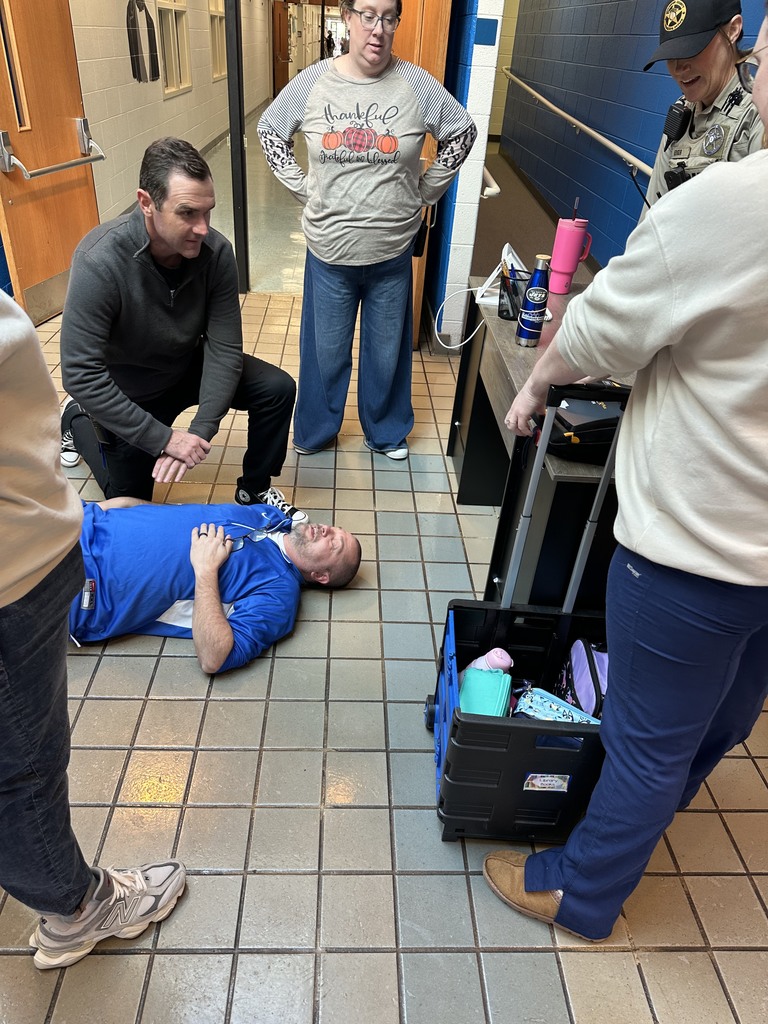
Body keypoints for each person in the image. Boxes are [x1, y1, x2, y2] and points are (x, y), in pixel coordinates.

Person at [483, 19, 768, 942]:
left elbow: (597, 332)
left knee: (648, 738)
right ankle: (635, 825)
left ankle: (584, 888)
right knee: (725, 714)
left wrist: (532, 385)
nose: (754, 67)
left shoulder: (734, 202)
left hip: (700, 543)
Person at [0, 291, 186, 971]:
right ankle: (73, 910)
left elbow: (220, 649)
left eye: (337, 550)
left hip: (41, 559)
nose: (328, 533)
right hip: (22, 567)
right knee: (23, 765)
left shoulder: (270, 582)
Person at [258, 0, 477, 460]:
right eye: (367, 15)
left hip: (392, 254)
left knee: (386, 356)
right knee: (325, 355)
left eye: (389, 18)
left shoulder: (415, 84)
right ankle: (316, 431)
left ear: (397, 22)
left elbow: (462, 130)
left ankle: (386, 431)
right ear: (348, 17)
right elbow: (270, 128)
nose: (378, 29)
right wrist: (304, 189)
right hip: (330, 254)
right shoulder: (314, 81)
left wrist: (428, 189)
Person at [60, 137, 304, 522]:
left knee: (276, 388)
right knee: (133, 507)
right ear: (146, 203)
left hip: (185, 365)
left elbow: (224, 348)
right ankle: (75, 420)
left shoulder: (217, 253)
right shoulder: (99, 261)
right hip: (131, 389)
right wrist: (164, 439)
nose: (203, 228)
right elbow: (79, 372)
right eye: (188, 213)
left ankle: (254, 487)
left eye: (208, 212)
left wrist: (201, 430)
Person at [71, 499, 362, 674]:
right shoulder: (269, 517)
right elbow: (181, 515)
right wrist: (120, 507)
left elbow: (215, 658)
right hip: (84, 520)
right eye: (334, 528)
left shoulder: (278, 595)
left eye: (333, 543)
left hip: (82, 585)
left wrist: (206, 570)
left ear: (320, 575)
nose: (327, 529)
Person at [642, 0, 763, 208]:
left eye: (691, 49)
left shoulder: (758, 110)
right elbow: (653, 205)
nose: (679, 67)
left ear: (732, 30)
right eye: (671, 55)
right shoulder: (681, 112)